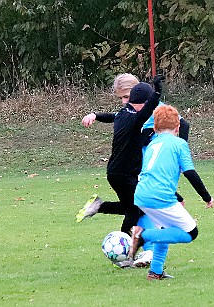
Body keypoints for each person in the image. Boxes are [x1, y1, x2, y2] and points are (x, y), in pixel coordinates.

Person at [76, 73, 189, 267]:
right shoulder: (130, 113)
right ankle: (143, 252)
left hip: (149, 167)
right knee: (140, 208)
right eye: (121, 98)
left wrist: (177, 156)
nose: (124, 102)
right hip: (134, 169)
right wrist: (95, 115)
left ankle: (138, 248)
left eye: (127, 97)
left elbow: (183, 125)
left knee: (138, 207)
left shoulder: (157, 110)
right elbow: (120, 120)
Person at [129, 104, 214, 280]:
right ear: (178, 127)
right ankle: (142, 235)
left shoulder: (152, 144)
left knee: (166, 230)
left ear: (154, 127)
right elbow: (189, 172)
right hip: (160, 197)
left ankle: (156, 272)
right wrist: (206, 197)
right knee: (191, 233)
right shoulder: (179, 143)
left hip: (142, 193)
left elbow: (154, 174)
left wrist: (177, 197)